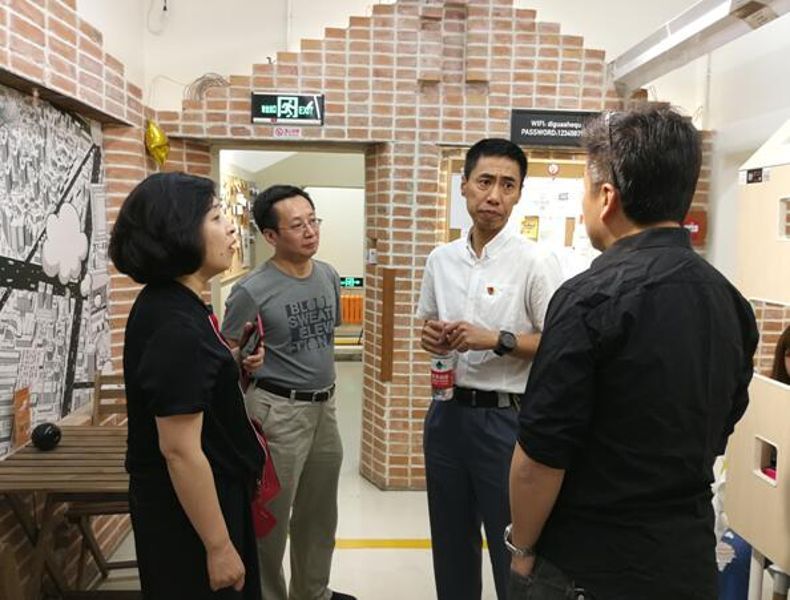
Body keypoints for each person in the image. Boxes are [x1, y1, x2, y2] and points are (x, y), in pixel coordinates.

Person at [507, 106, 760, 600]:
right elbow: (724, 423)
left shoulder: (587, 298)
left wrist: (522, 549)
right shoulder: (730, 302)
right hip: (685, 561)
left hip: (589, 565)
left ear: (606, 198)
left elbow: (539, 459)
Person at [416, 138, 562, 600]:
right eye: (484, 182)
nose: (494, 196)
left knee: (511, 547)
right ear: (463, 186)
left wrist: (496, 339)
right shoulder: (441, 259)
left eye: (507, 185)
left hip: (506, 421)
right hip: (446, 414)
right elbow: (427, 327)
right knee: (450, 544)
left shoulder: (536, 261)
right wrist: (431, 339)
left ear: (519, 193)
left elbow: (558, 343)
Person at [109, 172, 266, 599]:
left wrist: (231, 364)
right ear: (179, 232)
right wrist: (218, 546)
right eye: (216, 217)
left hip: (200, 500)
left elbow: (190, 388)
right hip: (192, 515)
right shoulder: (175, 324)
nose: (231, 228)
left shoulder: (173, 304)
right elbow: (179, 450)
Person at [221, 185, 354, 600]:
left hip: (325, 409)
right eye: (297, 225)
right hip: (276, 410)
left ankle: (312, 592)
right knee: (271, 519)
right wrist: (243, 360)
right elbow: (225, 354)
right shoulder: (252, 290)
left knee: (319, 513)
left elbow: (323, 340)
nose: (310, 231)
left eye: (313, 221)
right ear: (270, 236)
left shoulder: (328, 275)